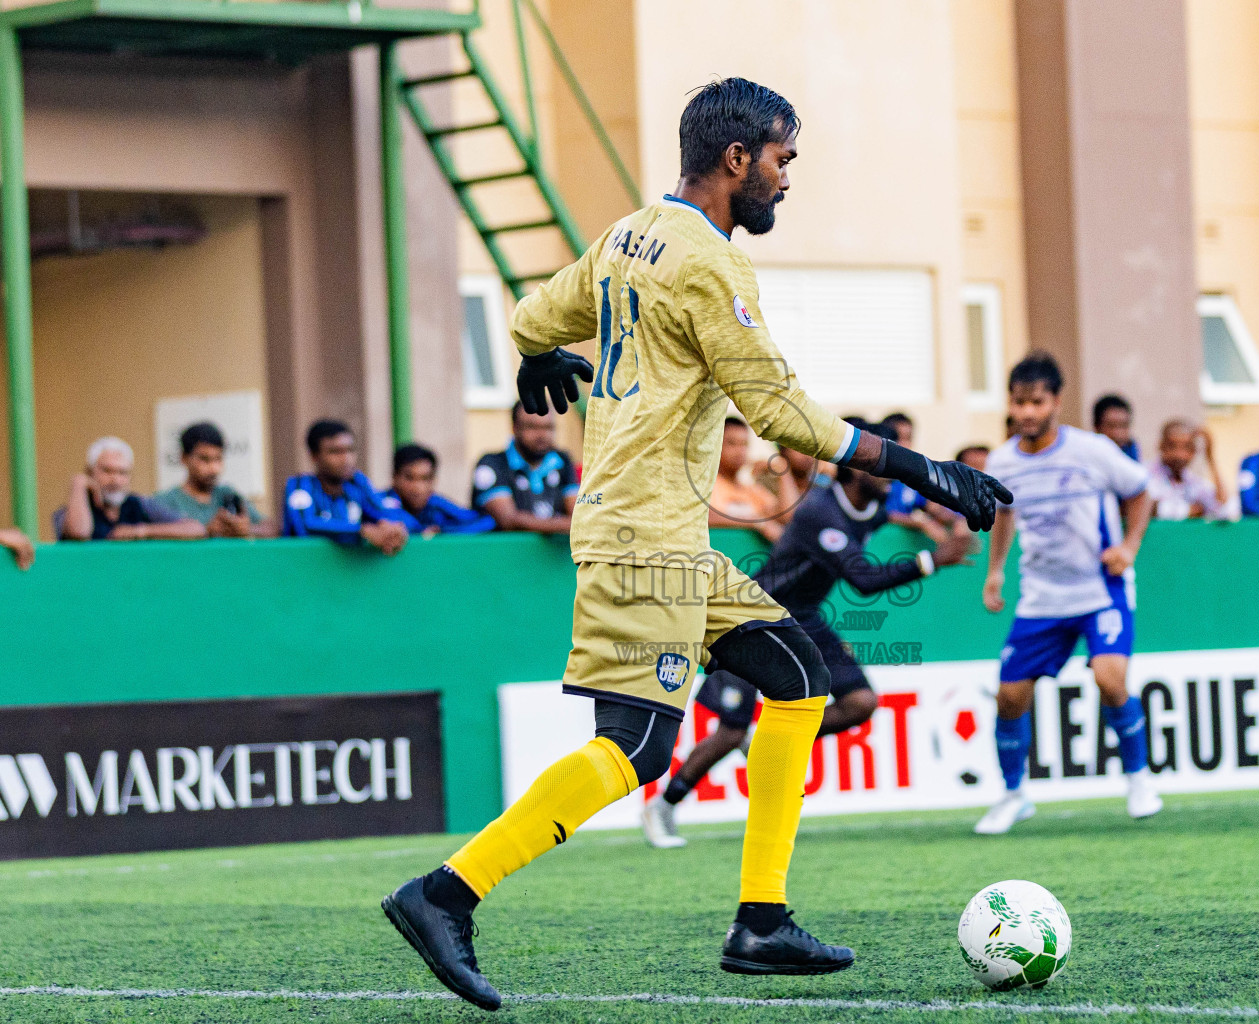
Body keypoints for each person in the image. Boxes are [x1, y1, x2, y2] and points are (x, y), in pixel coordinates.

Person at [380, 77, 1009, 1008]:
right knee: (636, 750)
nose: (787, 178)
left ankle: (762, 920)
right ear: (737, 157)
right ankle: (445, 893)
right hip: (646, 539)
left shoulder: (629, 235)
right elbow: (780, 412)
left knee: (799, 677)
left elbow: (529, 318)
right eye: (783, 159)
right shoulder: (714, 265)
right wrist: (923, 468)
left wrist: (537, 356)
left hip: (664, 536)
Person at [642, 417, 973, 848]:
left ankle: (767, 738)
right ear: (855, 467)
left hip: (803, 617)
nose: (890, 473)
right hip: (754, 617)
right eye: (883, 464)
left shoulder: (872, 508)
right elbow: (863, 579)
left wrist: (940, 512)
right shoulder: (820, 511)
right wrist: (933, 559)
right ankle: (663, 805)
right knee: (730, 730)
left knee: (860, 703)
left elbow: (906, 506)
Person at [977, 353, 1157, 835]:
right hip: (1042, 597)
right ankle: (1013, 796)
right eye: (1019, 402)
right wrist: (995, 572)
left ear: (1056, 401)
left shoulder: (1091, 450)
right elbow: (1004, 514)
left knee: (1110, 679)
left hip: (1100, 590)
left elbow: (1141, 491)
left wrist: (1129, 546)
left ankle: (1139, 779)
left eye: (1037, 402)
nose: (1027, 412)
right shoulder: (1003, 461)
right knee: (1009, 697)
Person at [282, 420, 409, 555]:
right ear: (314, 456)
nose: (346, 459)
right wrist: (362, 531)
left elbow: (384, 512)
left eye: (350, 450)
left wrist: (395, 529)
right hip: (302, 565)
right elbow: (306, 525)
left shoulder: (356, 482)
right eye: (335, 452)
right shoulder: (299, 485)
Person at [55, 437, 204, 542]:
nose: (115, 480)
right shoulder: (72, 510)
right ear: (90, 472)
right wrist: (78, 485)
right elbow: (78, 533)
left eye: (122, 473)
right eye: (107, 471)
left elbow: (195, 529)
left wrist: (139, 531)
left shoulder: (140, 504)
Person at [471, 403, 579, 533]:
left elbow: (578, 513)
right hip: (501, 547)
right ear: (514, 428)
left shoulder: (562, 461)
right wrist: (572, 525)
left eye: (548, 427)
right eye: (532, 427)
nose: (542, 435)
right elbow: (508, 520)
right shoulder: (492, 464)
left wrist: (577, 523)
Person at [152, 422, 265, 538]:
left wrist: (247, 529)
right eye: (204, 459)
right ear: (184, 458)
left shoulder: (228, 494)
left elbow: (270, 527)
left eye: (218, 459)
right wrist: (205, 531)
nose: (213, 468)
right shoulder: (165, 502)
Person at [881, 412, 959, 544]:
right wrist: (919, 523)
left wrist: (956, 521)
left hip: (905, 549)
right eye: (897, 438)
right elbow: (877, 515)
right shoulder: (874, 476)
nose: (904, 444)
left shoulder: (913, 478)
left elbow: (934, 508)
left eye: (908, 438)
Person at [384, 444, 495, 536]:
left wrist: (443, 531)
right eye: (409, 478)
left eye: (425, 478)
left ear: (434, 480)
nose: (418, 488)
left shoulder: (435, 504)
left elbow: (487, 522)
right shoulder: (382, 505)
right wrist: (420, 532)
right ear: (394, 477)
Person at [709, 417, 785, 542]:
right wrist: (757, 522)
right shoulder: (706, 486)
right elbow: (703, 516)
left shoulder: (752, 490)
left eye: (744, 444)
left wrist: (783, 472)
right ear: (715, 446)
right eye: (732, 443)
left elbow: (785, 517)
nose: (740, 451)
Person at [1148, 420, 1230, 520]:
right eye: (1172, 446)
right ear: (1161, 446)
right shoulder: (1145, 475)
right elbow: (1146, 507)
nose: (1179, 455)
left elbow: (1222, 507)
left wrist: (1210, 457)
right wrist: (1188, 510)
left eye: (1187, 447)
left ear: (1194, 451)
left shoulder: (1194, 482)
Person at [759, 443, 830, 526]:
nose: (807, 456)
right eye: (799, 449)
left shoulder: (821, 487)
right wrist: (784, 472)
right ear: (784, 452)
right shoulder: (767, 483)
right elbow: (789, 517)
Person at [1093, 393, 1139, 462]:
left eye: (1123, 425)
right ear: (1097, 427)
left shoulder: (1133, 457)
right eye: (1111, 426)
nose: (1118, 433)